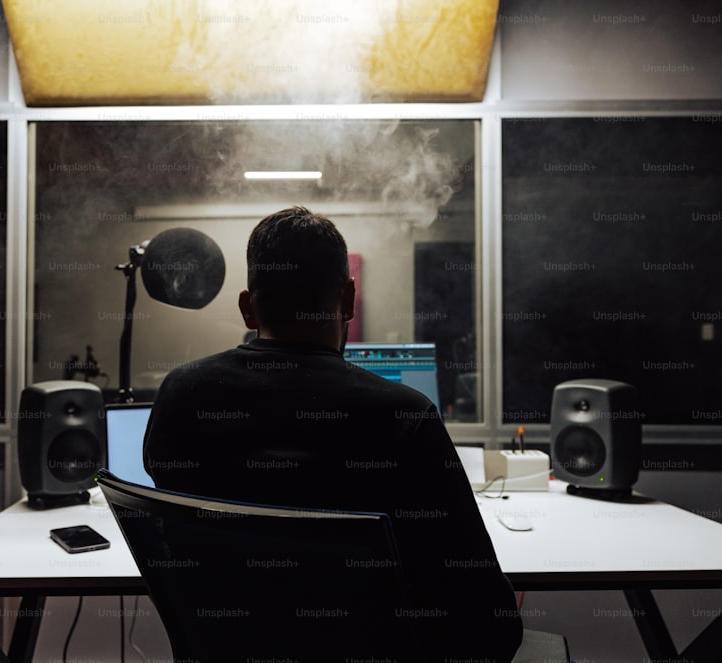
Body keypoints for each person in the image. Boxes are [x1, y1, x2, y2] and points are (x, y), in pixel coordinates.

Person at [143, 206, 523, 661]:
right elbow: (489, 623)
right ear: (348, 300)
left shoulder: (181, 396)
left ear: (247, 308)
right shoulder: (404, 417)